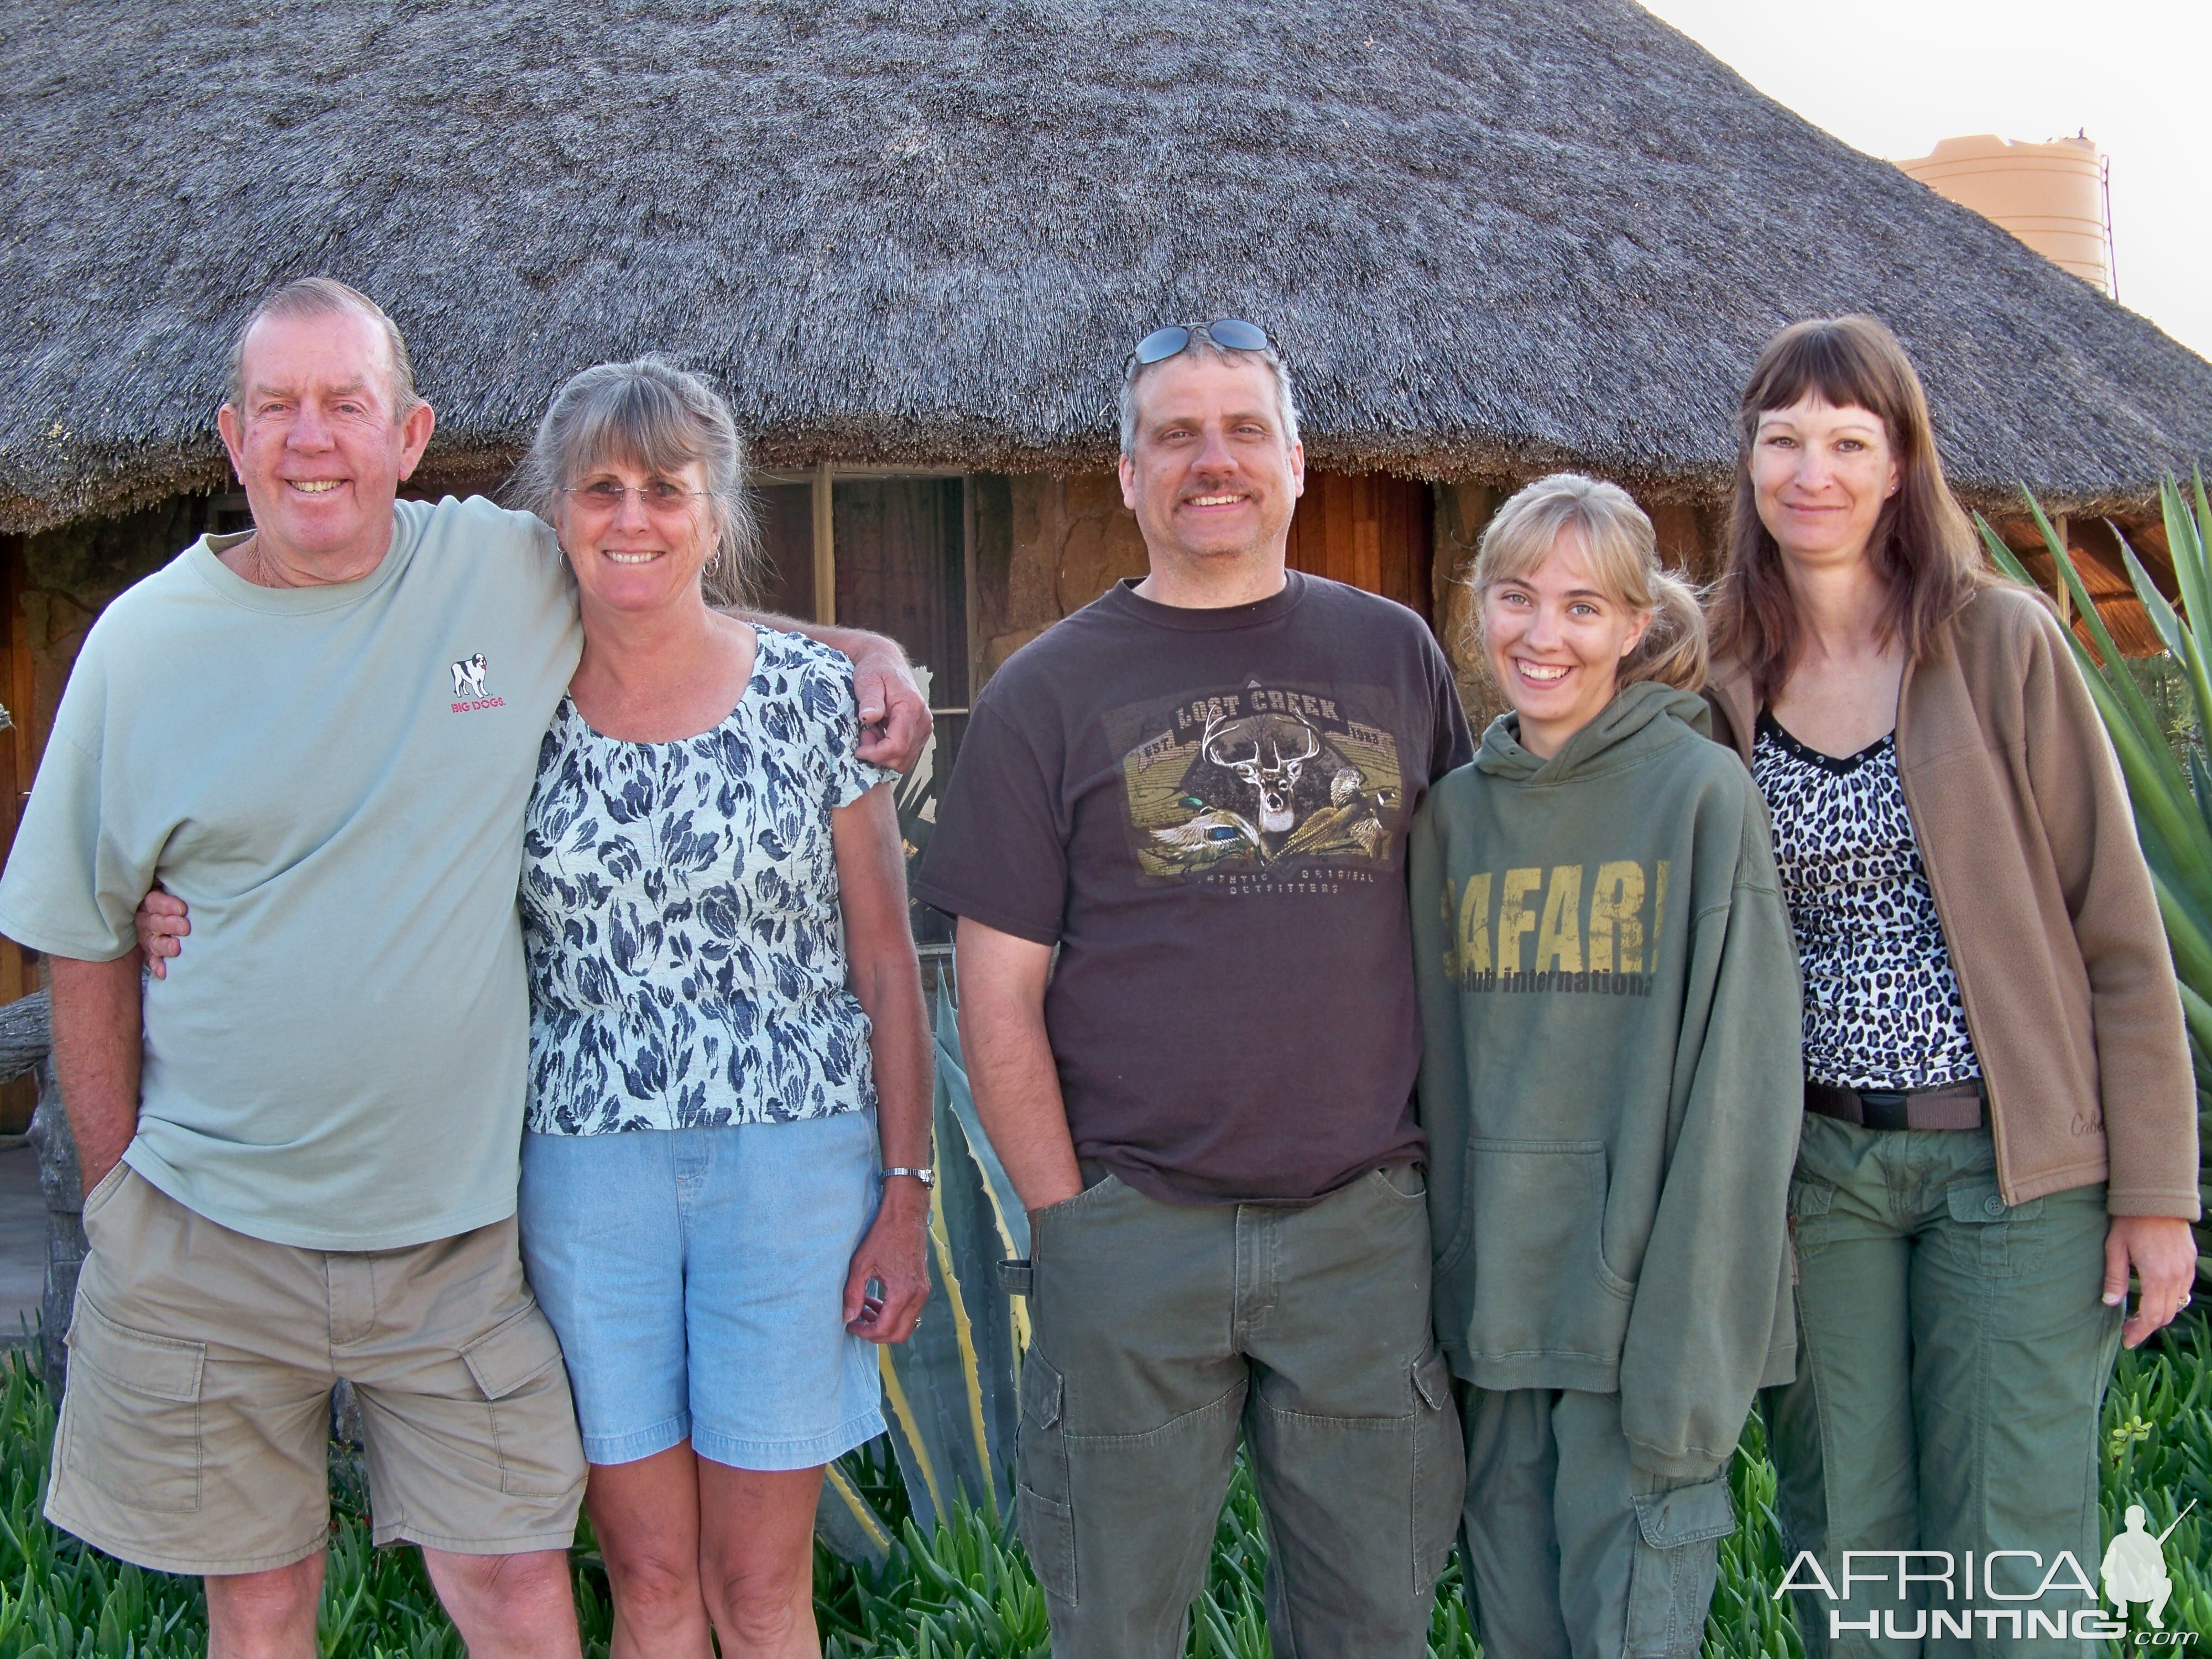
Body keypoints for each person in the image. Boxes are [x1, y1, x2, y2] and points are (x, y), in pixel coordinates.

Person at [6, 276, 925, 1659]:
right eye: (278, 408)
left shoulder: (502, 583)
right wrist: (118, 1184)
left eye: (346, 405)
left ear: (410, 433)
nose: (312, 440)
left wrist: (869, 649)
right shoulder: (158, 643)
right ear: (231, 434)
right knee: (280, 1603)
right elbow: (79, 915)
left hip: (494, 1230)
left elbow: (670, 613)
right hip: (283, 1211)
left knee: (551, 1590)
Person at [913, 320, 1474, 1658]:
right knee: (1113, 1629)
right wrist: (1071, 1224)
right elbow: (994, 998)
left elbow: (1458, 925)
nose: (1208, 461)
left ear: (1294, 461)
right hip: (1134, 1236)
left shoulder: (1396, 657)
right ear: (1127, 475)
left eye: (1238, 431)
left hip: (1361, 1237)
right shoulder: (1046, 690)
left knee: (1371, 1624)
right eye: (1174, 434)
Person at [1703, 314, 2200, 1654]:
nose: (1813, 470)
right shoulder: (1713, 668)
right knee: (1844, 1544)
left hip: (2014, 1169)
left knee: (2008, 1554)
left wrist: (2156, 1195)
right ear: (1746, 464)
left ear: (1899, 462)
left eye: (1848, 441)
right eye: (1783, 440)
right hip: (1819, 1173)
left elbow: (2116, 931)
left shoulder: (1997, 641)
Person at [505, 359, 931, 1659]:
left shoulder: (811, 703)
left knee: (757, 1592)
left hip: (792, 1172)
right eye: (600, 489)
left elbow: (884, 965)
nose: (631, 517)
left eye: (663, 489)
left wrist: (904, 1194)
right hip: (584, 1177)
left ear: (713, 510)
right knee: (645, 1582)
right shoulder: (505, 701)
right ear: (556, 513)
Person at [1410, 473, 1801, 1659]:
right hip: (1490, 1335)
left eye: (1584, 608)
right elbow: (1431, 1080)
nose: (1543, 635)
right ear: (1476, 607)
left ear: (1637, 627)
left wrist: (1691, 1366)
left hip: (1638, 1344)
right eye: (1516, 597)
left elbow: (1738, 1100)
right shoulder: (1450, 820)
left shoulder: (1698, 797)